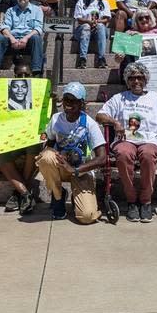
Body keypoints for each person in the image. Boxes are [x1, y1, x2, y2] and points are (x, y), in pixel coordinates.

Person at [96, 62, 157, 223]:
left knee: (148, 154)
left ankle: (145, 201)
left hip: (150, 140)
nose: (136, 81)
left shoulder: (155, 98)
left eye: (140, 78)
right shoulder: (119, 98)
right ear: (127, 81)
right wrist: (115, 122)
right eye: (132, 78)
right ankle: (131, 200)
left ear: (145, 80)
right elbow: (100, 115)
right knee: (123, 153)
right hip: (125, 139)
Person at [38, 82, 107, 223]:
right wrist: (51, 153)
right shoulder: (56, 119)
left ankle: (78, 197)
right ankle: (58, 196)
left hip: (81, 170)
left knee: (87, 217)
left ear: (81, 103)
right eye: (66, 99)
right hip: (62, 167)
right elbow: (49, 143)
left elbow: (102, 158)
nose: (68, 103)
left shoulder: (89, 124)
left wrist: (76, 170)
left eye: (73, 100)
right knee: (45, 157)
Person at [0, 71, 41, 215]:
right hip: (11, 139)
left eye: (26, 76)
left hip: (30, 140)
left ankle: (19, 193)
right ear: (11, 84)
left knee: (34, 144)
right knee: (0, 151)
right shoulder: (2, 100)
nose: (20, 88)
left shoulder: (37, 97)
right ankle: (26, 194)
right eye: (19, 76)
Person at [0, 0, 45, 80]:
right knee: (0, 39)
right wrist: (12, 39)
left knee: (36, 38)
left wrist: (25, 38)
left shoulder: (37, 10)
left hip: (29, 42)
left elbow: (38, 28)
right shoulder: (10, 11)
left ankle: (37, 73)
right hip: (12, 42)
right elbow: (4, 27)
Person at [74, 0, 111, 69]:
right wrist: (89, 22)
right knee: (86, 26)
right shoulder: (81, 1)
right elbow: (78, 19)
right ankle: (82, 59)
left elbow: (107, 19)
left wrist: (97, 22)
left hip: (98, 30)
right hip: (83, 29)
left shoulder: (104, 2)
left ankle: (101, 58)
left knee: (101, 26)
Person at [114, 8, 157, 74]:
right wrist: (119, 57)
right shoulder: (130, 33)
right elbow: (117, 60)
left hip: (154, 66)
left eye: (147, 17)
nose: (144, 19)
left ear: (151, 18)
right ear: (136, 21)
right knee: (129, 45)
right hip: (134, 70)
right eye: (140, 18)